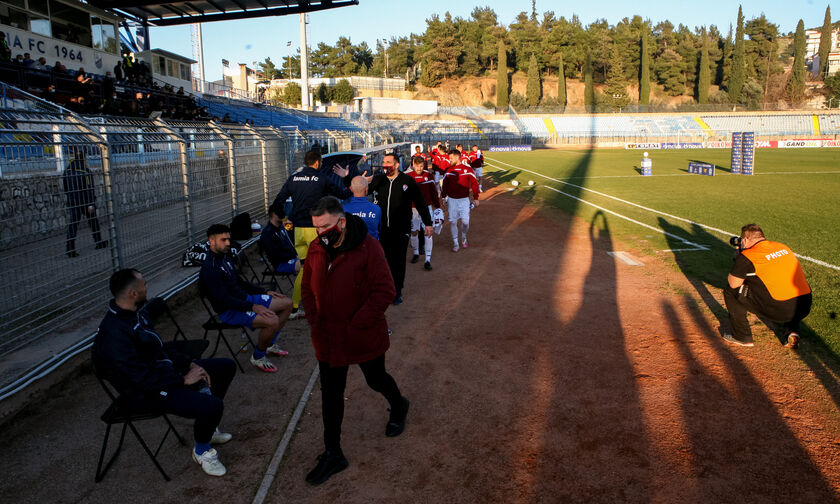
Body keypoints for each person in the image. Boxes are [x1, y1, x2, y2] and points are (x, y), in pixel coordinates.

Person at [301, 196, 409, 486]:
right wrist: (314, 318)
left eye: (324, 226)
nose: (319, 233)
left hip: (361, 335)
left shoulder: (368, 247)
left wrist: (357, 324)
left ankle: (399, 405)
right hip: (327, 338)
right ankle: (333, 453)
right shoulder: (316, 247)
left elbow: (385, 290)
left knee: (376, 379)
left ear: (342, 221)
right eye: (315, 227)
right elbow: (307, 289)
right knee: (331, 395)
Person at [92, 269, 237, 477]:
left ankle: (208, 427)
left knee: (225, 367)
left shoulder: (136, 312)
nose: (147, 287)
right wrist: (182, 380)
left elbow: (158, 349)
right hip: (144, 392)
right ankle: (202, 451)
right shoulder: (114, 334)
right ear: (133, 293)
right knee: (213, 405)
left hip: (162, 374)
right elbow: (138, 378)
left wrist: (189, 364)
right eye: (144, 284)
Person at [199, 224, 293, 372]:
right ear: (211, 241)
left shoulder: (225, 257)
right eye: (223, 240)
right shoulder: (210, 268)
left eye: (228, 239)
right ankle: (258, 356)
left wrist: (264, 291)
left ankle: (269, 344)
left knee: (287, 304)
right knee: (272, 320)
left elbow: (240, 282)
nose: (228, 243)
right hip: (230, 310)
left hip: (245, 300)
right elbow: (224, 300)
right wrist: (253, 307)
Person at [271, 149, 351, 319]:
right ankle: (323, 304)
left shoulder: (294, 178)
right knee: (324, 266)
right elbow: (343, 194)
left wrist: (285, 219)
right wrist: (347, 180)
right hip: (316, 229)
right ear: (317, 162)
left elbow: (277, 202)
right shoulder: (321, 178)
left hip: (298, 231)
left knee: (306, 268)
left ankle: (294, 307)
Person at [722, 224, 812, 349]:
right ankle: (792, 331)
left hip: (781, 310)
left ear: (745, 240)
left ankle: (742, 336)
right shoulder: (782, 246)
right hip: (804, 305)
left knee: (730, 291)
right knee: (784, 285)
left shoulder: (747, 256)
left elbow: (733, 284)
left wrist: (739, 257)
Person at [367, 152, 433, 305]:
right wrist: (347, 177)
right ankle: (384, 289)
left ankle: (397, 291)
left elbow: (421, 202)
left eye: (388, 162)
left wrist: (428, 223)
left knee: (398, 262)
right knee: (383, 261)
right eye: (384, 161)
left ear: (396, 164)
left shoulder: (407, 181)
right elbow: (361, 190)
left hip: (401, 230)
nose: (385, 165)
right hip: (382, 230)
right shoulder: (379, 180)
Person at [63, 149, 106, 257]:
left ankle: (70, 248)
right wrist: (91, 203)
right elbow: (89, 188)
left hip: (73, 202)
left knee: (73, 226)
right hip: (85, 202)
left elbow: (66, 189)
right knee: (93, 223)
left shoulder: (67, 171)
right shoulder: (85, 171)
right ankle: (98, 242)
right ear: (84, 158)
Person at [441, 149, 480, 252]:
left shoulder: (468, 169)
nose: (449, 160)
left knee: (465, 222)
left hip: (464, 200)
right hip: (452, 200)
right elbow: (445, 185)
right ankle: (455, 242)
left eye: (451, 158)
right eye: (449, 158)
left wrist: (476, 198)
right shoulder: (449, 170)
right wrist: (443, 197)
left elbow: (475, 184)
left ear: (458, 157)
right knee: (453, 222)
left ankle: (463, 236)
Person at [407, 155, 441, 270]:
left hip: (427, 208)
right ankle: (416, 253)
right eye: (417, 166)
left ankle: (427, 259)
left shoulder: (428, 175)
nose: (419, 169)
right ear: (413, 166)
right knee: (414, 232)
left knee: (428, 232)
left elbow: (434, 192)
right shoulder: (408, 177)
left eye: (421, 166)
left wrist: (437, 206)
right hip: (413, 209)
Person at [260, 203, 300, 275]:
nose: (284, 216)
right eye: (281, 214)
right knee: (306, 267)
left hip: (292, 258)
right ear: (274, 215)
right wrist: (294, 256)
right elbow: (276, 255)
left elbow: (292, 233)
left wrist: (290, 226)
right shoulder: (268, 233)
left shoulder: (281, 226)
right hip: (281, 264)